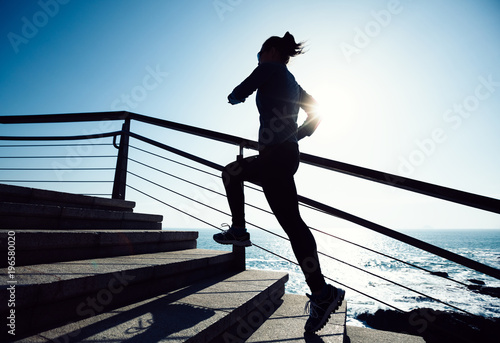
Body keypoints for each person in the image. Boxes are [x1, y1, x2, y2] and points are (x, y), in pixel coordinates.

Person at [213, 32, 345, 333]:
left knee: (234, 174)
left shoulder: (270, 68)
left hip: (275, 157)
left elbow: (238, 92)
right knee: (291, 222)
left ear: (270, 51)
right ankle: (323, 292)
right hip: (284, 155)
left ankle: (240, 230)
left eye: (259, 54)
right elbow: (318, 111)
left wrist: (236, 97)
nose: (257, 59)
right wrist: (297, 135)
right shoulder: (293, 82)